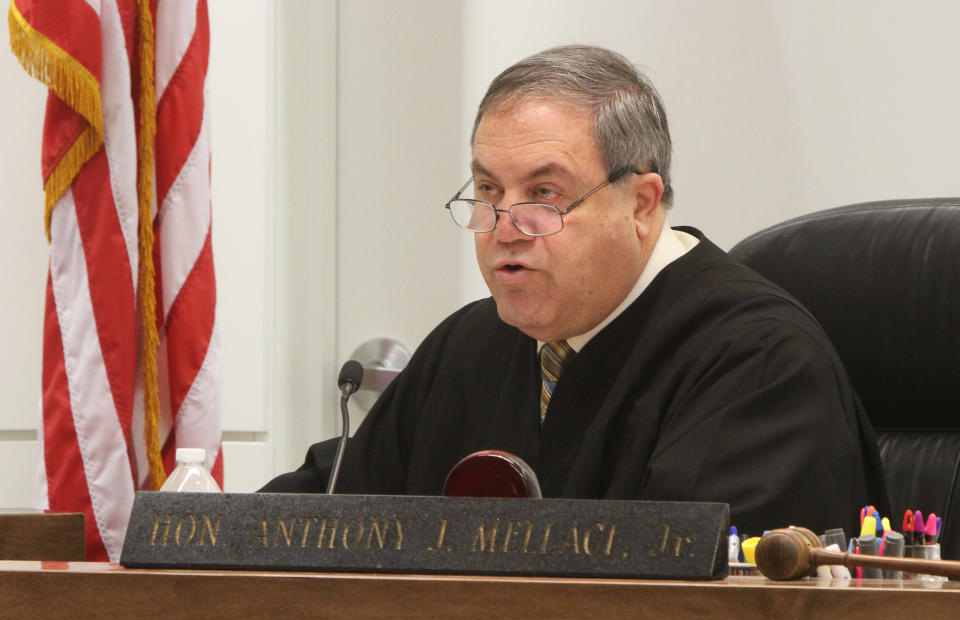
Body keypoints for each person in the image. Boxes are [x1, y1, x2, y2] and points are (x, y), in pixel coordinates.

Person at [262, 44, 888, 537]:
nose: (504, 227)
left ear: (642, 204)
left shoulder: (759, 365)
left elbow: (703, 596)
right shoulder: (469, 346)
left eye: (544, 194)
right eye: (487, 191)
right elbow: (321, 513)